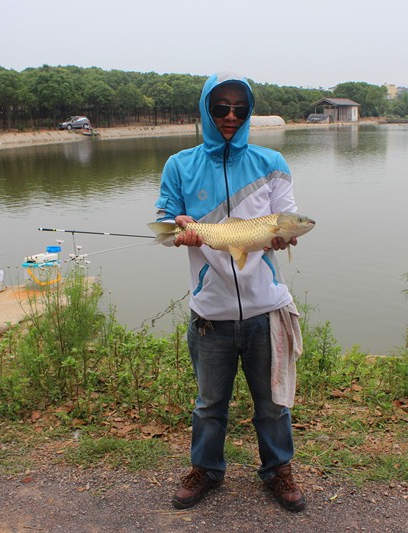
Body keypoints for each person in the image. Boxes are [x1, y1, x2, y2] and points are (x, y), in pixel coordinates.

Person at [154, 72, 307, 512]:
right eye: (220, 108)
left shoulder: (272, 162)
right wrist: (179, 230)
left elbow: (287, 218)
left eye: (239, 109)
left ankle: (279, 470)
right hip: (210, 312)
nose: (230, 116)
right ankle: (205, 469)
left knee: (274, 403)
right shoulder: (180, 165)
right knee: (208, 404)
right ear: (206, 109)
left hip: (265, 309)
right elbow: (166, 223)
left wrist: (284, 236)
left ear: (249, 111)